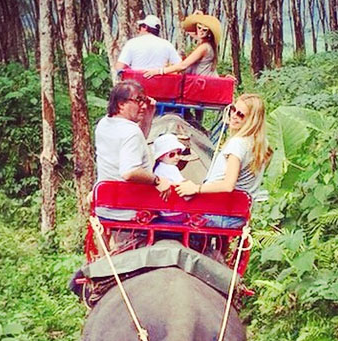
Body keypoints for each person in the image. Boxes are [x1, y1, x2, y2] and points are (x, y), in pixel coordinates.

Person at [176, 94, 273, 228]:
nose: (234, 116)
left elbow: (228, 185)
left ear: (252, 120)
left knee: (171, 215)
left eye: (241, 114)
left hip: (220, 211)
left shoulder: (238, 144)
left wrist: (196, 188)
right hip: (239, 213)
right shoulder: (261, 144)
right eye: (233, 109)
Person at [94, 80, 170, 221]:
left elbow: (135, 145)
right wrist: (158, 180)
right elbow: (129, 172)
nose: (143, 106)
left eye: (144, 100)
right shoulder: (131, 132)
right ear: (121, 104)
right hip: (130, 210)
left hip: (105, 206)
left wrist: (147, 118)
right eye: (138, 101)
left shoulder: (104, 123)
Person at [143, 13, 220, 78]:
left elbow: (183, 65)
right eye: (199, 28)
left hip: (204, 84)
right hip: (203, 81)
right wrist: (194, 17)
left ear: (209, 33)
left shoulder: (204, 47)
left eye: (204, 30)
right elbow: (188, 30)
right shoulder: (204, 43)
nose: (201, 31)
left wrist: (159, 71)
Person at [115, 14, 181, 73]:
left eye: (140, 27)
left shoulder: (132, 43)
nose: (139, 30)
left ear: (145, 27)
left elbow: (119, 67)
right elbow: (180, 66)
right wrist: (163, 71)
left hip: (136, 84)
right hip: (159, 83)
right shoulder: (167, 44)